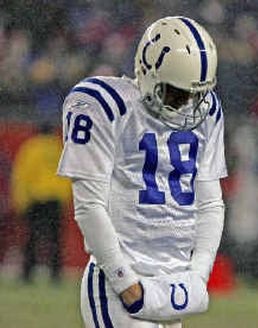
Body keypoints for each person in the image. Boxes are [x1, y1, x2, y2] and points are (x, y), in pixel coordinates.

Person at [57, 16, 227, 328]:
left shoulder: (208, 111)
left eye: (196, 94)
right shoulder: (107, 105)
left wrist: (196, 278)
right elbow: (89, 205)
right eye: (176, 93)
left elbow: (211, 203)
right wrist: (126, 282)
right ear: (148, 71)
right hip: (122, 284)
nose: (187, 104)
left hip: (174, 283)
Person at [11, 122, 71, 283]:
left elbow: (22, 176)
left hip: (36, 201)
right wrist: (65, 198)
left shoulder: (31, 148)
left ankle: (27, 273)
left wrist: (21, 201)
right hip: (55, 201)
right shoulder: (59, 148)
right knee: (55, 240)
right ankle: (56, 274)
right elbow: (67, 175)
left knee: (31, 239)